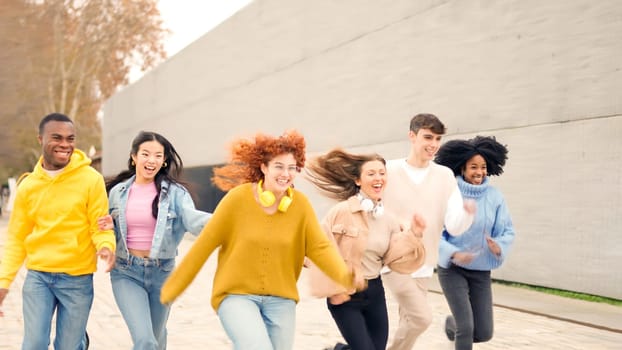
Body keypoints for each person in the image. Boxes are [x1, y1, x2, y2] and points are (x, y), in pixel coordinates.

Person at [159, 130, 357, 350]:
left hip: (282, 300)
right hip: (236, 296)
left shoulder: (300, 205)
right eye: (279, 166)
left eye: (292, 168)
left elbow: (319, 247)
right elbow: (204, 245)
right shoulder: (237, 199)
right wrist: (174, 288)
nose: (286, 174)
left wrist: (343, 276)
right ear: (264, 167)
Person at [0, 113, 115, 349]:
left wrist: (106, 245)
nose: (65, 144)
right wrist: (3, 282)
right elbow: (16, 239)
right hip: (38, 277)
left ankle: (78, 341)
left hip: (77, 278)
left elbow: (100, 223)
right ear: (40, 139)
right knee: (34, 344)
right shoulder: (28, 186)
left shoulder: (91, 179)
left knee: (68, 346)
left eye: (70, 138)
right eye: (57, 138)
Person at [97, 131, 211, 350]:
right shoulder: (117, 192)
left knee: (156, 341)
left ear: (164, 160)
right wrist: (107, 235)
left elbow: (194, 220)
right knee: (146, 341)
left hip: (163, 273)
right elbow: (102, 227)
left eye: (158, 155)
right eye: (146, 154)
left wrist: (231, 221)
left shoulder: (176, 194)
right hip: (126, 272)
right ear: (134, 157)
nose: (152, 160)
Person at [305, 149, 427, 350]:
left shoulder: (387, 219)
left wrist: (414, 233)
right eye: (371, 173)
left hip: (375, 293)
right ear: (358, 180)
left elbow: (394, 259)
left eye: (382, 173)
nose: (378, 178)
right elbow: (315, 248)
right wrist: (333, 289)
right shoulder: (341, 212)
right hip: (345, 294)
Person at [381, 113, 476, 350]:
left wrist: (467, 213)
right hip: (392, 259)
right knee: (422, 318)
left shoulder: (444, 176)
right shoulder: (389, 171)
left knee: (410, 320)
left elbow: (454, 225)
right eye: (428, 137)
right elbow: (374, 207)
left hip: (424, 262)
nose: (433, 144)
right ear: (412, 136)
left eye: (437, 139)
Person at [434, 136, 515, 350]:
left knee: (484, 332)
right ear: (462, 168)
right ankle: (460, 326)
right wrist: (453, 253)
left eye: (483, 167)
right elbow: (435, 233)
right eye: (473, 167)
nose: (479, 172)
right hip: (453, 269)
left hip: (481, 270)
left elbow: (506, 230)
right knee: (467, 328)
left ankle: (452, 324)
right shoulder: (450, 195)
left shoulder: (495, 197)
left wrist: (499, 245)